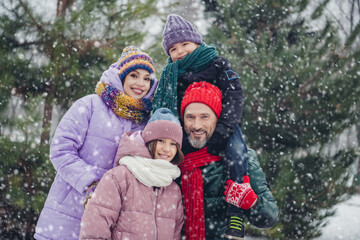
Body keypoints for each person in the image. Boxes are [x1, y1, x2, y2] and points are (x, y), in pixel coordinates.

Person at [34, 47, 159, 240]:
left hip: (114, 219)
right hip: (68, 214)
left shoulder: (146, 123)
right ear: (121, 76)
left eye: (146, 78)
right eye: (134, 75)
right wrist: (91, 183)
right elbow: (61, 150)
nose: (140, 83)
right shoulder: (89, 105)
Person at [152, 14, 249, 239]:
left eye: (185, 44)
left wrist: (224, 129)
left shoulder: (217, 63)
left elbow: (234, 96)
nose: (180, 52)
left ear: (197, 42)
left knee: (237, 153)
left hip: (224, 124)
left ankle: (236, 210)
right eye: (173, 49)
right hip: (188, 131)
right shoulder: (171, 74)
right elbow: (169, 109)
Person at [179, 82, 280, 240]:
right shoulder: (173, 157)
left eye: (204, 117)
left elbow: (270, 217)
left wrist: (252, 202)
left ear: (217, 119)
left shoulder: (241, 159)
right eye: (190, 117)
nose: (196, 125)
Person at [79, 108, 184, 239]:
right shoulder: (119, 177)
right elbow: (94, 229)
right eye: (161, 141)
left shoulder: (173, 189)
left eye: (173, 144)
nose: (166, 149)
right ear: (150, 142)